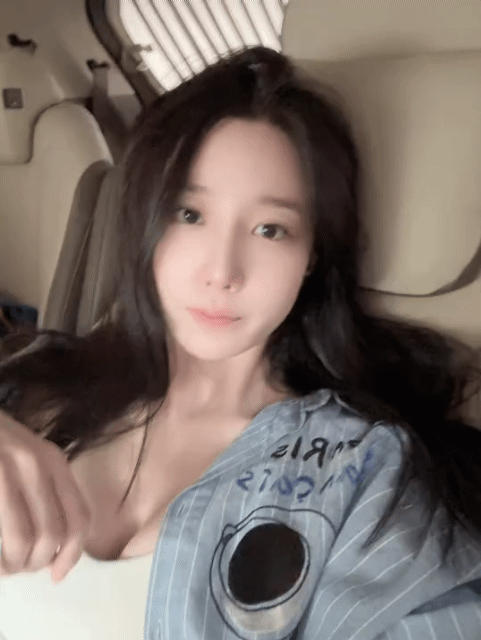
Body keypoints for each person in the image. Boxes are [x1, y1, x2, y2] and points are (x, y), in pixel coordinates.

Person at [0, 45, 480, 640]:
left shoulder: (366, 475)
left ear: (312, 256)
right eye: (189, 214)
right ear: (143, 218)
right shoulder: (34, 386)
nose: (222, 271)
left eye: (270, 229)